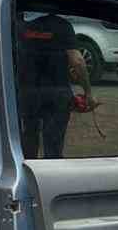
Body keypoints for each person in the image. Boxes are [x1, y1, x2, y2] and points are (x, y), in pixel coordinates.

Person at [16, 11, 93, 158]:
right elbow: (77, 61)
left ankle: (28, 167)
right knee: (54, 146)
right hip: (57, 94)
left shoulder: (18, 25)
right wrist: (88, 92)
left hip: (27, 93)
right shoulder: (62, 25)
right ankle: (52, 167)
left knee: (28, 139)